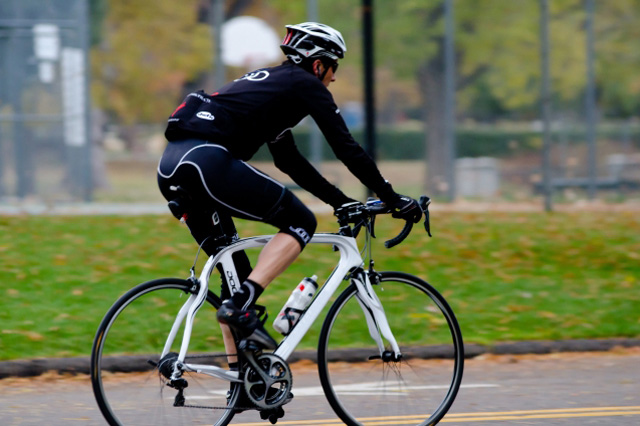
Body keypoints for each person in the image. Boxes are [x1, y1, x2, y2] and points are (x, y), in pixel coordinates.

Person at [157, 22, 422, 351]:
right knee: (301, 222)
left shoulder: (272, 90)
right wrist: (392, 198)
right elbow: (346, 147)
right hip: (206, 162)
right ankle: (240, 306)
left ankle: (243, 386)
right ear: (318, 64)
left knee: (235, 278)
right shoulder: (303, 83)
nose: (334, 78)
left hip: (171, 168)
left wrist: (338, 201)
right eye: (333, 67)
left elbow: (290, 161)